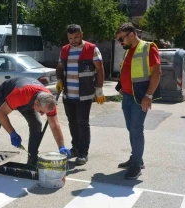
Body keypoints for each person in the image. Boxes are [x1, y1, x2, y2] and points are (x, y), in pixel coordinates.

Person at [0, 77, 71, 173]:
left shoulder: (49, 101)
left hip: (29, 99)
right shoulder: (21, 93)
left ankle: (32, 161)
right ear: (37, 103)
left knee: (36, 124)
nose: (42, 114)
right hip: (7, 93)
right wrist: (12, 133)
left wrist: (61, 146)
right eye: (41, 111)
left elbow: (54, 125)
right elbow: (1, 114)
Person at [115, 23, 161, 180]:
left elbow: (157, 72)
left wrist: (149, 95)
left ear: (131, 35)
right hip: (127, 96)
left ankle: (136, 165)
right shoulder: (128, 51)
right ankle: (136, 158)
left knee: (136, 130)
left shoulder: (148, 48)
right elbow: (127, 70)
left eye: (121, 39)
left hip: (140, 98)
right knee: (131, 129)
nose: (120, 43)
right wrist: (120, 86)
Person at [56, 24, 106, 165]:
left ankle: (83, 153)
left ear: (82, 35)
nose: (73, 40)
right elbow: (59, 67)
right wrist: (59, 79)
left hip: (84, 95)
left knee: (82, 123)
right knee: (72, 123)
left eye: (76, 37)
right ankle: (76, 148)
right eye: (70, 38)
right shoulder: (65, 50)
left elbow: (100, 69)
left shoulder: (91, 49)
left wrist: (99, 89)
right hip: (68, 95)